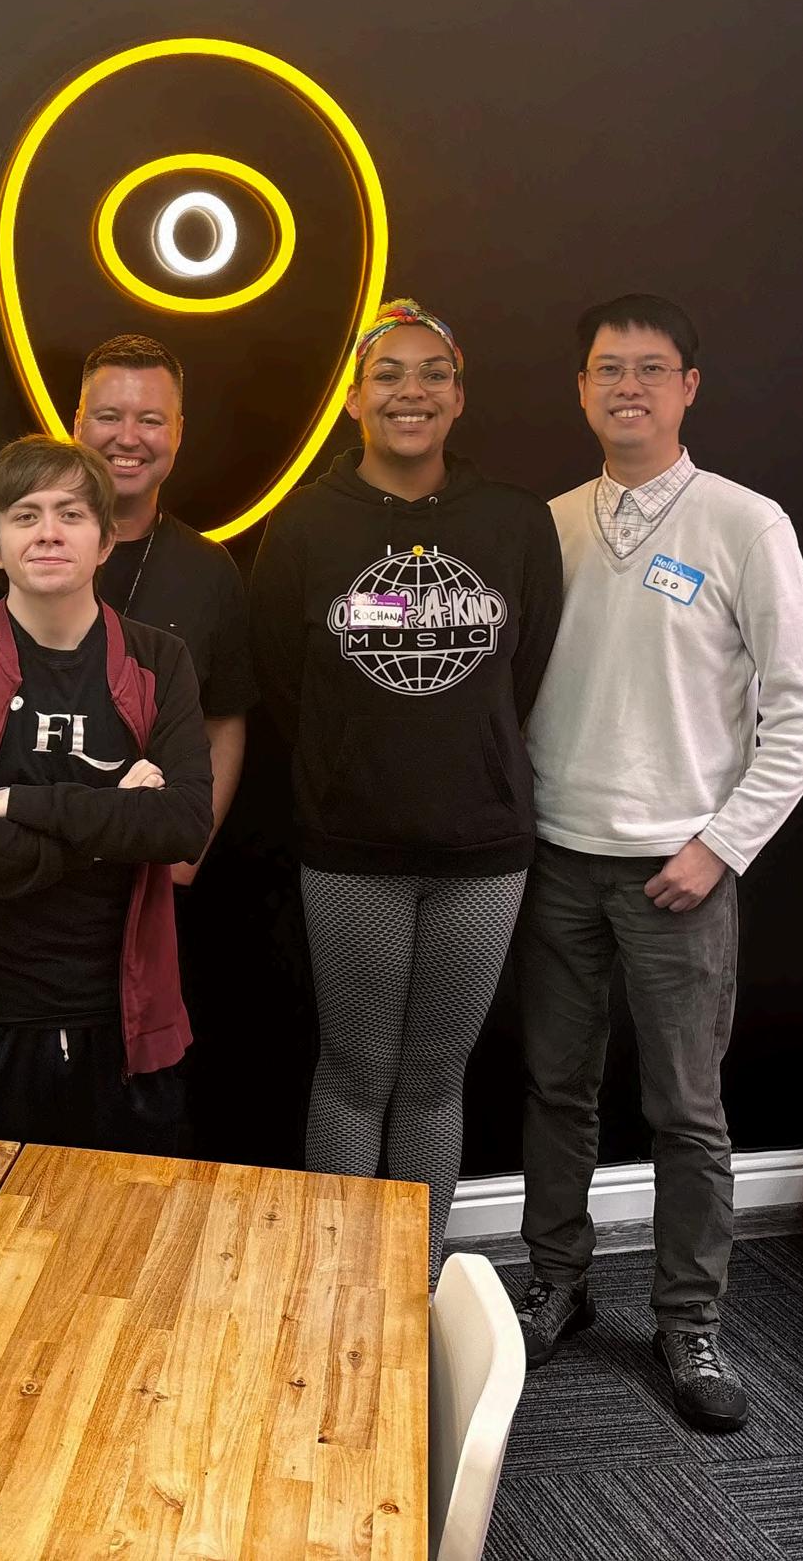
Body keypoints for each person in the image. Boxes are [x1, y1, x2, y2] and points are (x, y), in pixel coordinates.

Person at [513, 294, 803, 1432]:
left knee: (687, 1111)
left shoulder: (746, 524)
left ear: (689, 387)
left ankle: (690, 1321)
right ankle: (555, 1285)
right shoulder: (547, 526)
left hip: (680, 873)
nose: (629, 387)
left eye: (652, 369)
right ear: (581, 389)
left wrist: (720, 845)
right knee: (554, 1090)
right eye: (608, 369)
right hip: (557, 861)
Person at [249, 298, 563, 1284]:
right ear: (353, 399)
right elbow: (282, 680)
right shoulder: (304, 525)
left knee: (433, 1077)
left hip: (483, 852)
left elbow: (526, 671)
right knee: (352, 1071)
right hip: (352, 849)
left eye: (432, 373)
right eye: (387, 374)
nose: (410, 391)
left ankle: (407, 1291)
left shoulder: (514, 522)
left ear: (459, 397)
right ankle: (336, 1290)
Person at [0, 435, 213, 1152]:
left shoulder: (160, 660)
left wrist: (21, 803)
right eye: (25, 514)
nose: (48, 532)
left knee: (123, 1223)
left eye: (70, 513)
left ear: (105, 541)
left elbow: (185, 825)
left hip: (124, 1025)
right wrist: (113, 822)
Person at [73, 332, 259, 1157]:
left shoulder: (207, 570)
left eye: (150, 418)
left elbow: (225, 719)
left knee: (142, 1116)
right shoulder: (24, 542)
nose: (128, 436)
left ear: (178, 433)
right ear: (75, 422)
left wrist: (189, 848)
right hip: (29, 890)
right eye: (108, 415)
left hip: (154, 896)